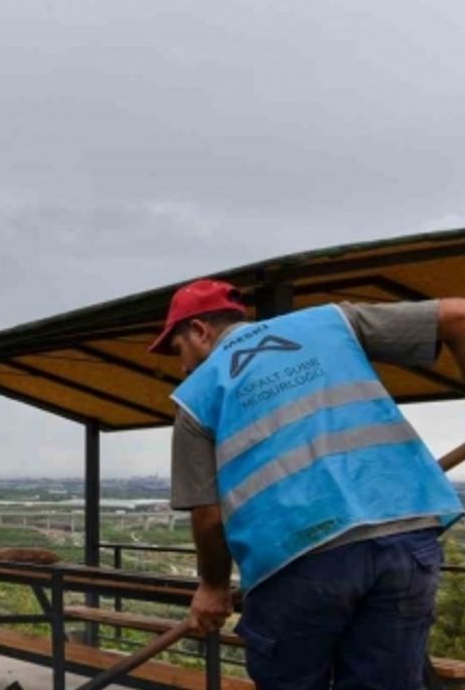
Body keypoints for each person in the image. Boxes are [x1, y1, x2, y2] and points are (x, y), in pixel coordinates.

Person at [151, 279, 465, 688]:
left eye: (178, 349)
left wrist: (212, 587)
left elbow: (209, 518)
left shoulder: (196, 397)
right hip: (405, 538)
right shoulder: (331, 321)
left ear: (199, 330)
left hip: (298, 559)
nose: (182, 367)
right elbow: (459, 315)